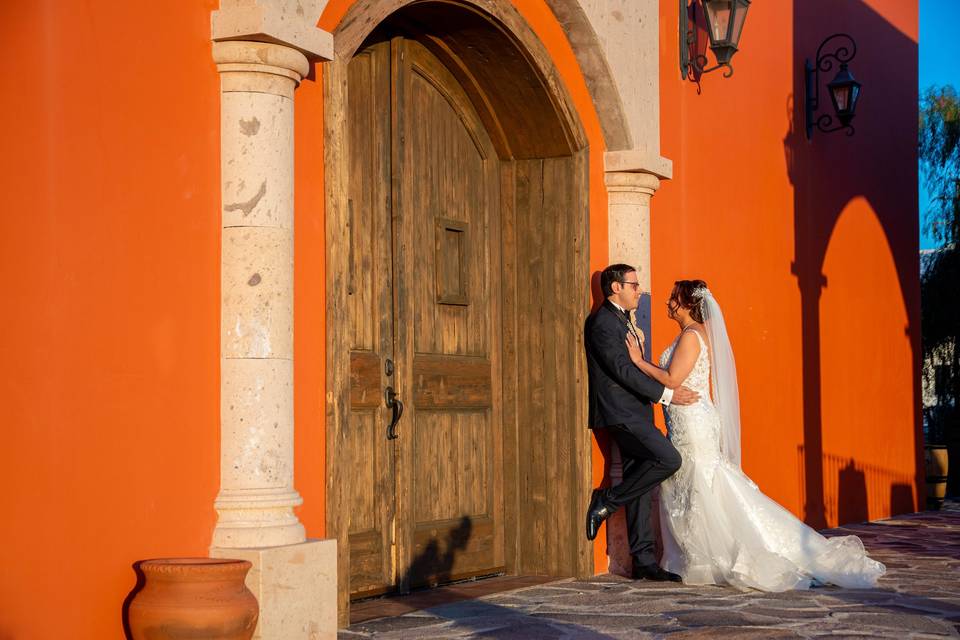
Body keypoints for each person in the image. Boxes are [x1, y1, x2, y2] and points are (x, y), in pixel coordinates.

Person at [625, 279, 886, 590]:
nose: (667, 302)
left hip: (692, 423)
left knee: (697, 483)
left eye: (672, 298)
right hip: (688, 420)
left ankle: (707, 558)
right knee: (693, 484)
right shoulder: (692, 334)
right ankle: (696, 556)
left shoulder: (692, 336)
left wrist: (639, 362)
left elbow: (672, 377)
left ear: (686, 304)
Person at [584, 264, 699, 581]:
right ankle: (606, 499)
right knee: (668, 459)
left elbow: (634, 366)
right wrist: (667, 395)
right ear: (615, 288)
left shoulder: (623, 320)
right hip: (620, 414)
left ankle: (644, 561)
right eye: (633, 284)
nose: (639, 290)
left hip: (636, 412)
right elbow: (623, 370)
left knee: (640, 476)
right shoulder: (603, 323)